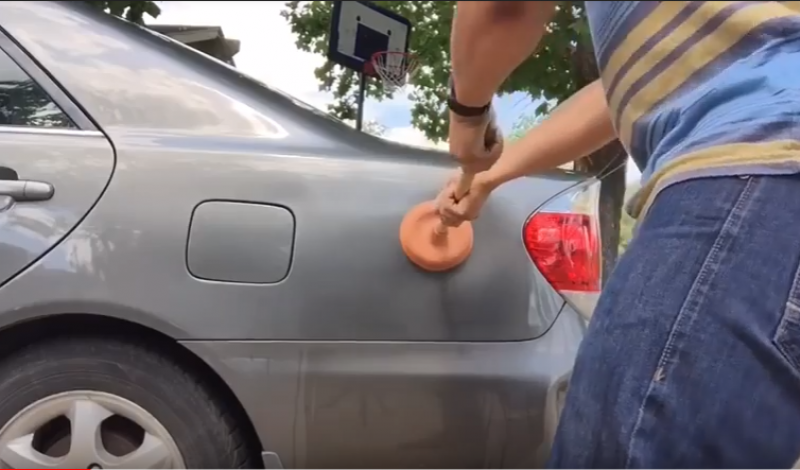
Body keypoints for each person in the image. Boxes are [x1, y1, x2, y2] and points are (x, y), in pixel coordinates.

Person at [437, 1, 800, 468]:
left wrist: (467, 114)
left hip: (759, 163)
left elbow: (506, 8)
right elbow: (615, 97)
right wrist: (491, 176)